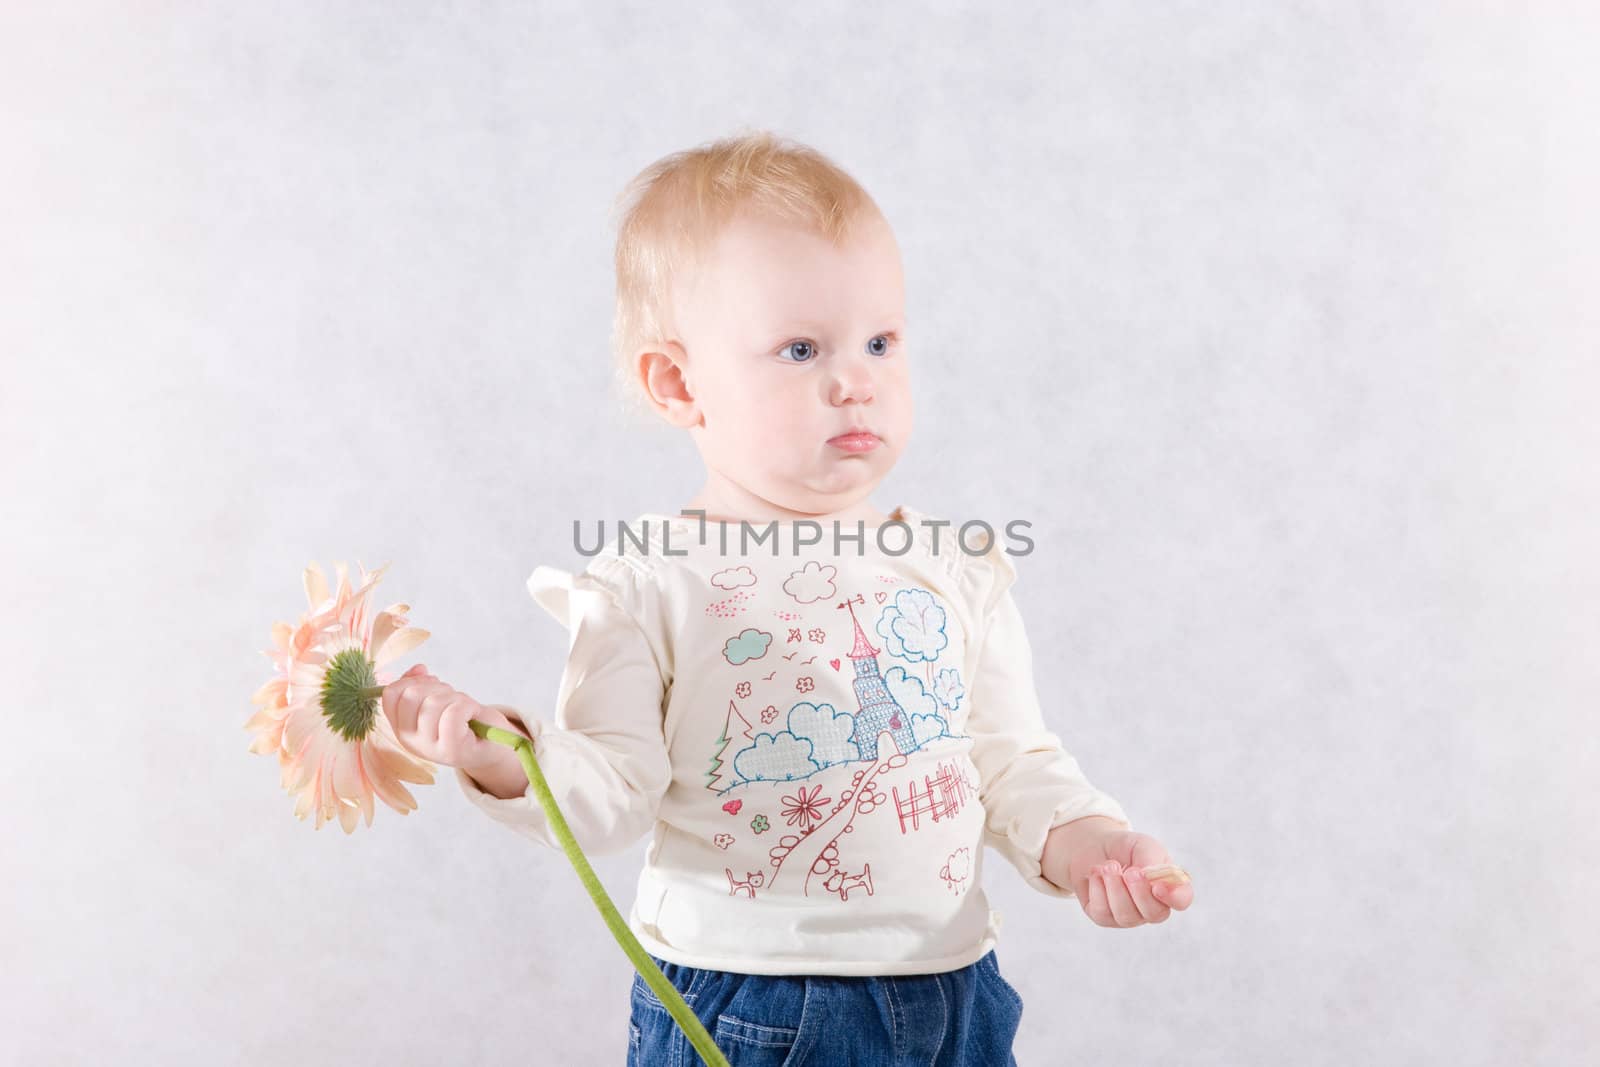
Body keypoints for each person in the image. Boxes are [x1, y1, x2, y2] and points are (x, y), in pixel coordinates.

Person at [381, 129, 1194, 1065]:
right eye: (801, 348)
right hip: (755, 1003)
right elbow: (611, 786)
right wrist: (506, 760)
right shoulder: (652, 583)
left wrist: (1091, 844)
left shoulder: (953, 567)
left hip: (955, 985)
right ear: (680, 382)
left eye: (880, 341)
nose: (855, 380)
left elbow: (1012, 764)